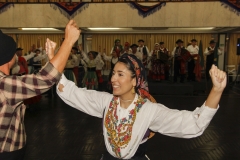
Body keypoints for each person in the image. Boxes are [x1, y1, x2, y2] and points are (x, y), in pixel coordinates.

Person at [57, 53, 226, 160]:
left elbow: (192, 123)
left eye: (120, 74)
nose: (113, 79)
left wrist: (216, 90)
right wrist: (54, 63)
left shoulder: (149, 109)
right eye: (113, 73)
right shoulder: (105, 102)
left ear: (134, 81)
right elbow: (71, 92)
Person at [0, 20, 80, 159]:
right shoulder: (5, 85)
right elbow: (47, 78)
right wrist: (68, 41)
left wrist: (52, 57)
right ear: (9, 57)